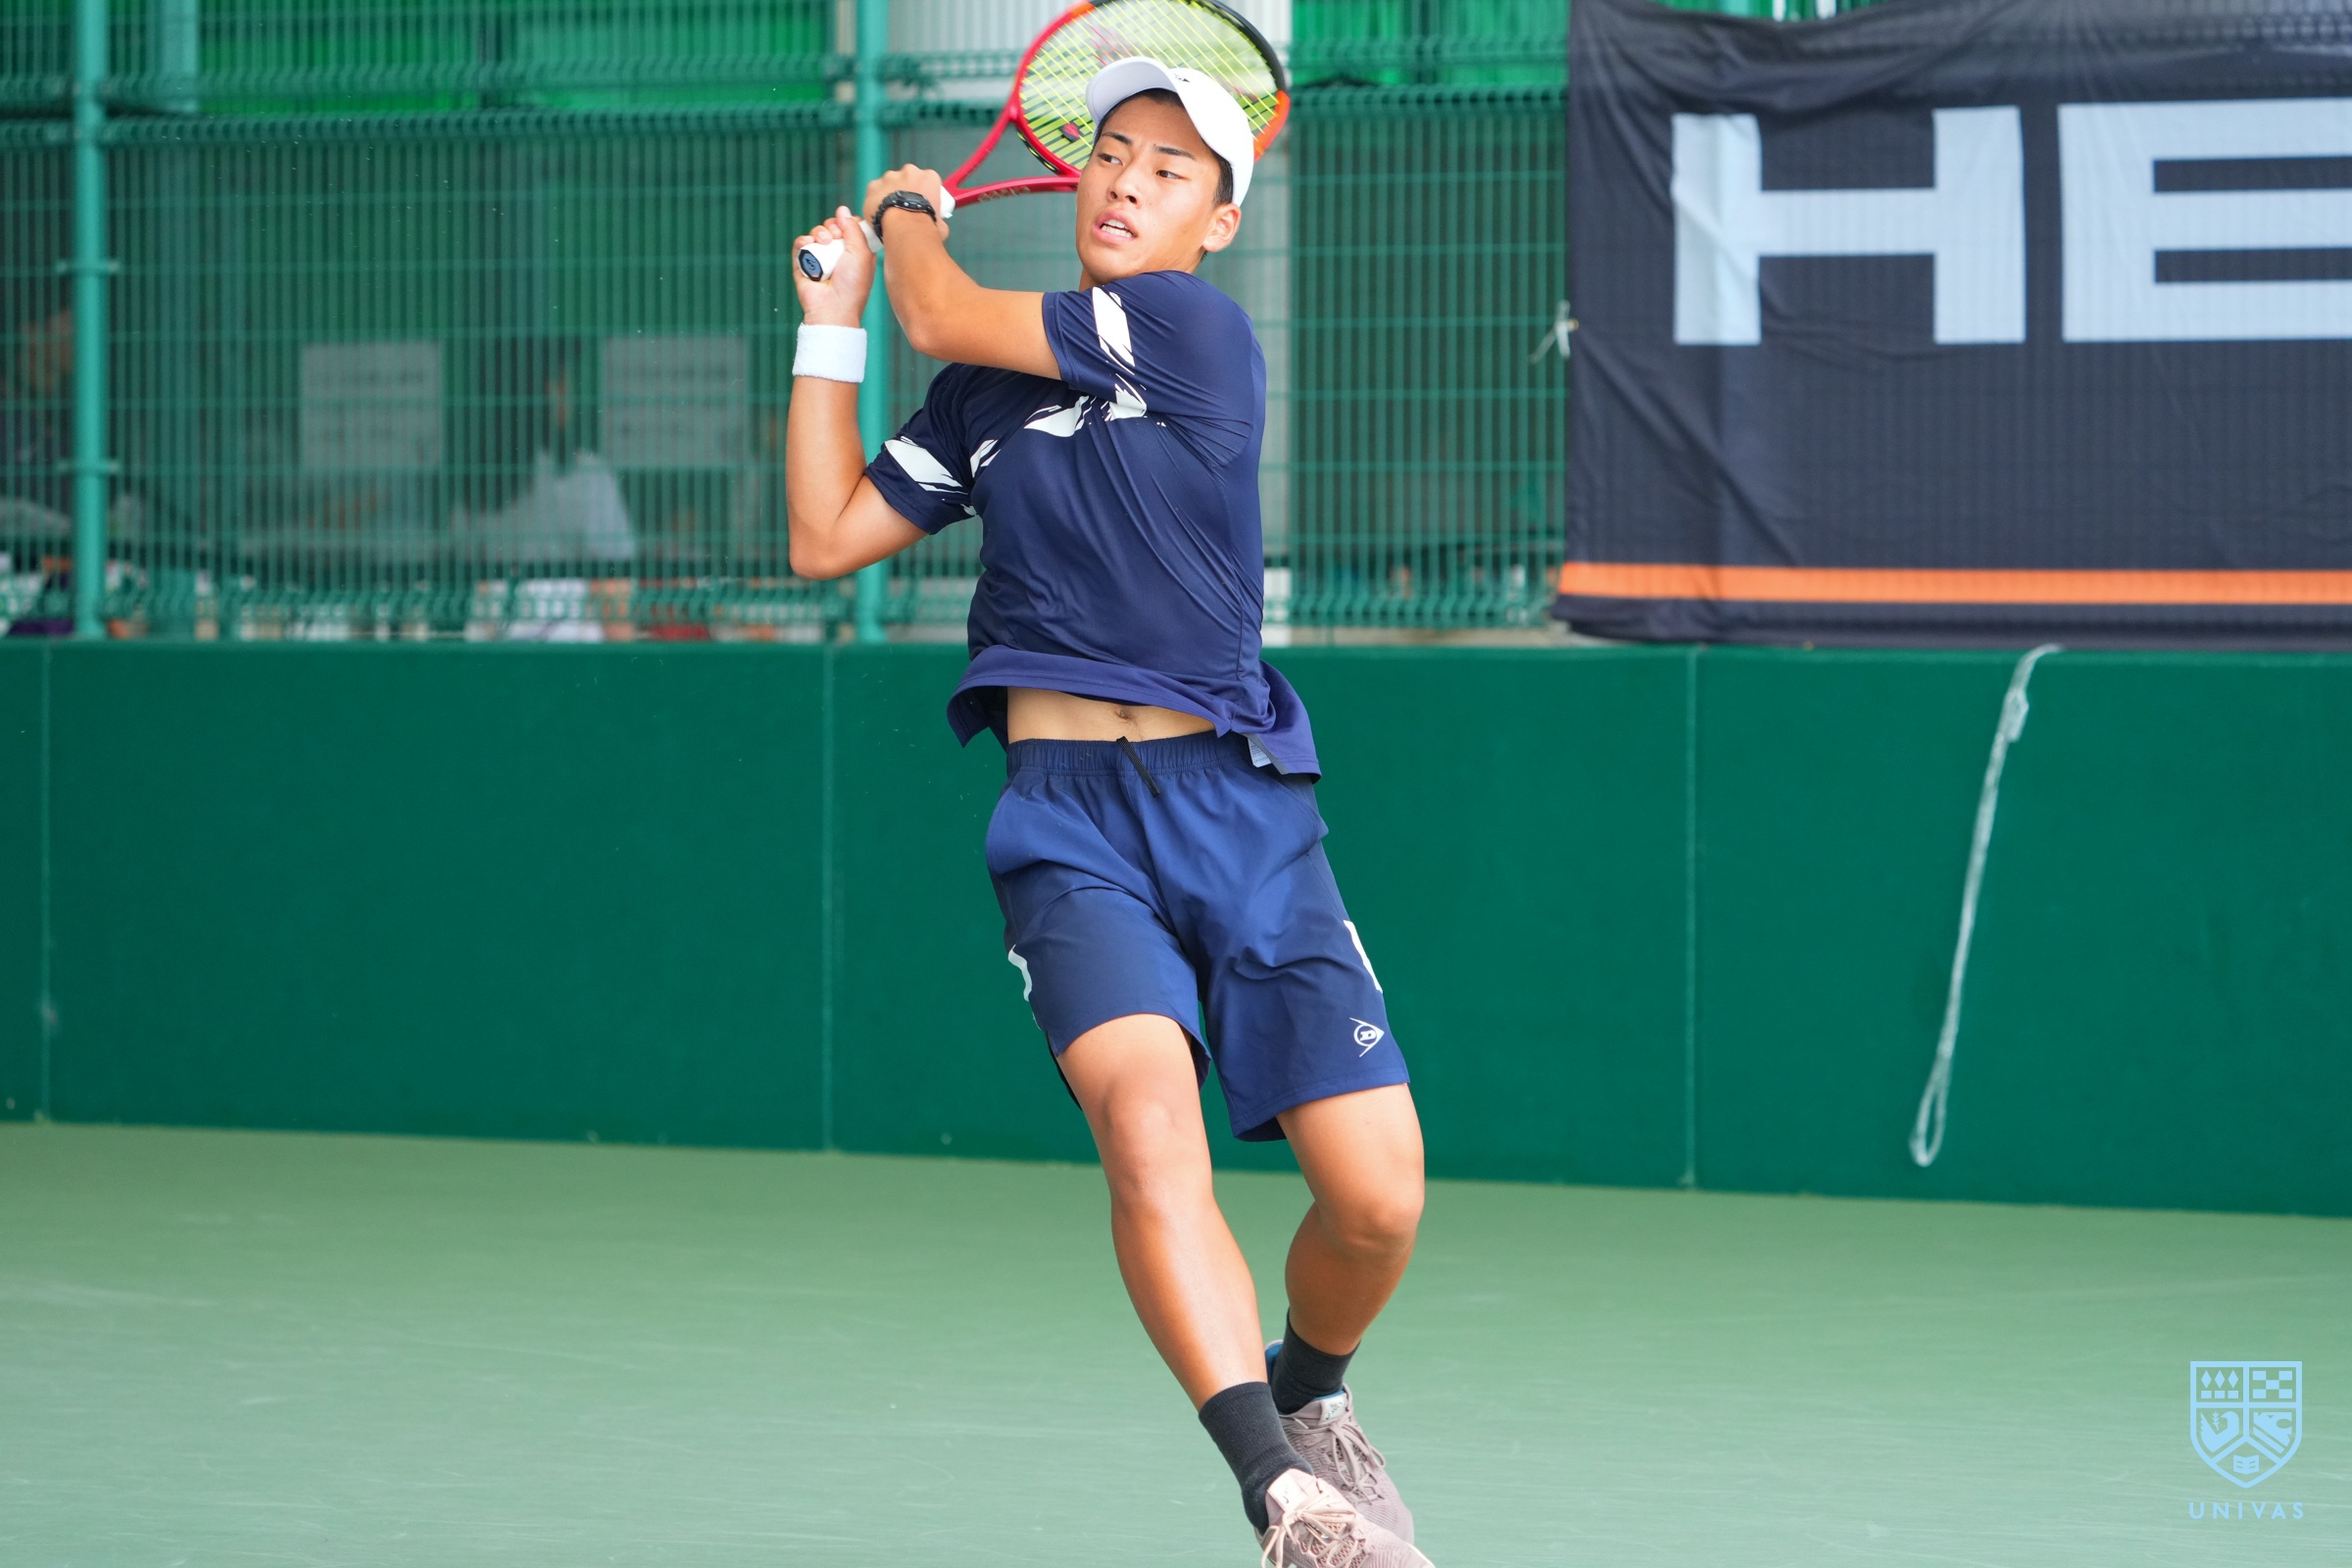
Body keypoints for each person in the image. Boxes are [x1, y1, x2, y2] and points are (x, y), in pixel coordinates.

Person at [784, 60, 1433, 1568]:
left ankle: (1312, 1393)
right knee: (1150, 1132)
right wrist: (829, 325)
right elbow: (823, 536)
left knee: (1378, 1202)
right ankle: (1286, 1499)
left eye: (1170, 169)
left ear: (1217, 223)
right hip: (1069, 823)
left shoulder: (1196, 331)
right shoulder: (985, 399)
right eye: (1112, 153)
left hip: (1240, 808)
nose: (1129, 180)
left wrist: (905, 219)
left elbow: (941, 307)